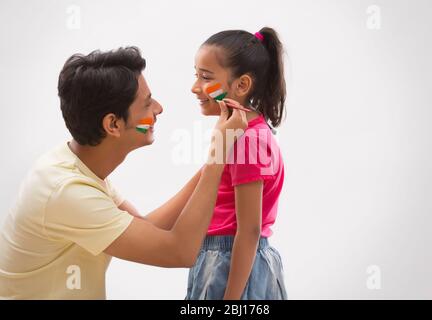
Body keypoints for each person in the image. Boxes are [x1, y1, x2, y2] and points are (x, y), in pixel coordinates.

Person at [0, 46, 247, 299]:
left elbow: (146, 228)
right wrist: (218, 154)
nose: (159, 109)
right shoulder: (66, 191)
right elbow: (180, 252)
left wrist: (218, 157)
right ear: (113, 124)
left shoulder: (77, 167)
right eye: (147, 103)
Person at [186, 27, 287, 300]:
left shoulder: (247, 140)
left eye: (206, 77)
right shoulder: (238, 133)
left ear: (242, 85)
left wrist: (231, 300)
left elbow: (250, 230)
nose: (195, 87)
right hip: (226, 261)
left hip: (230, 265)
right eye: (195, 75)